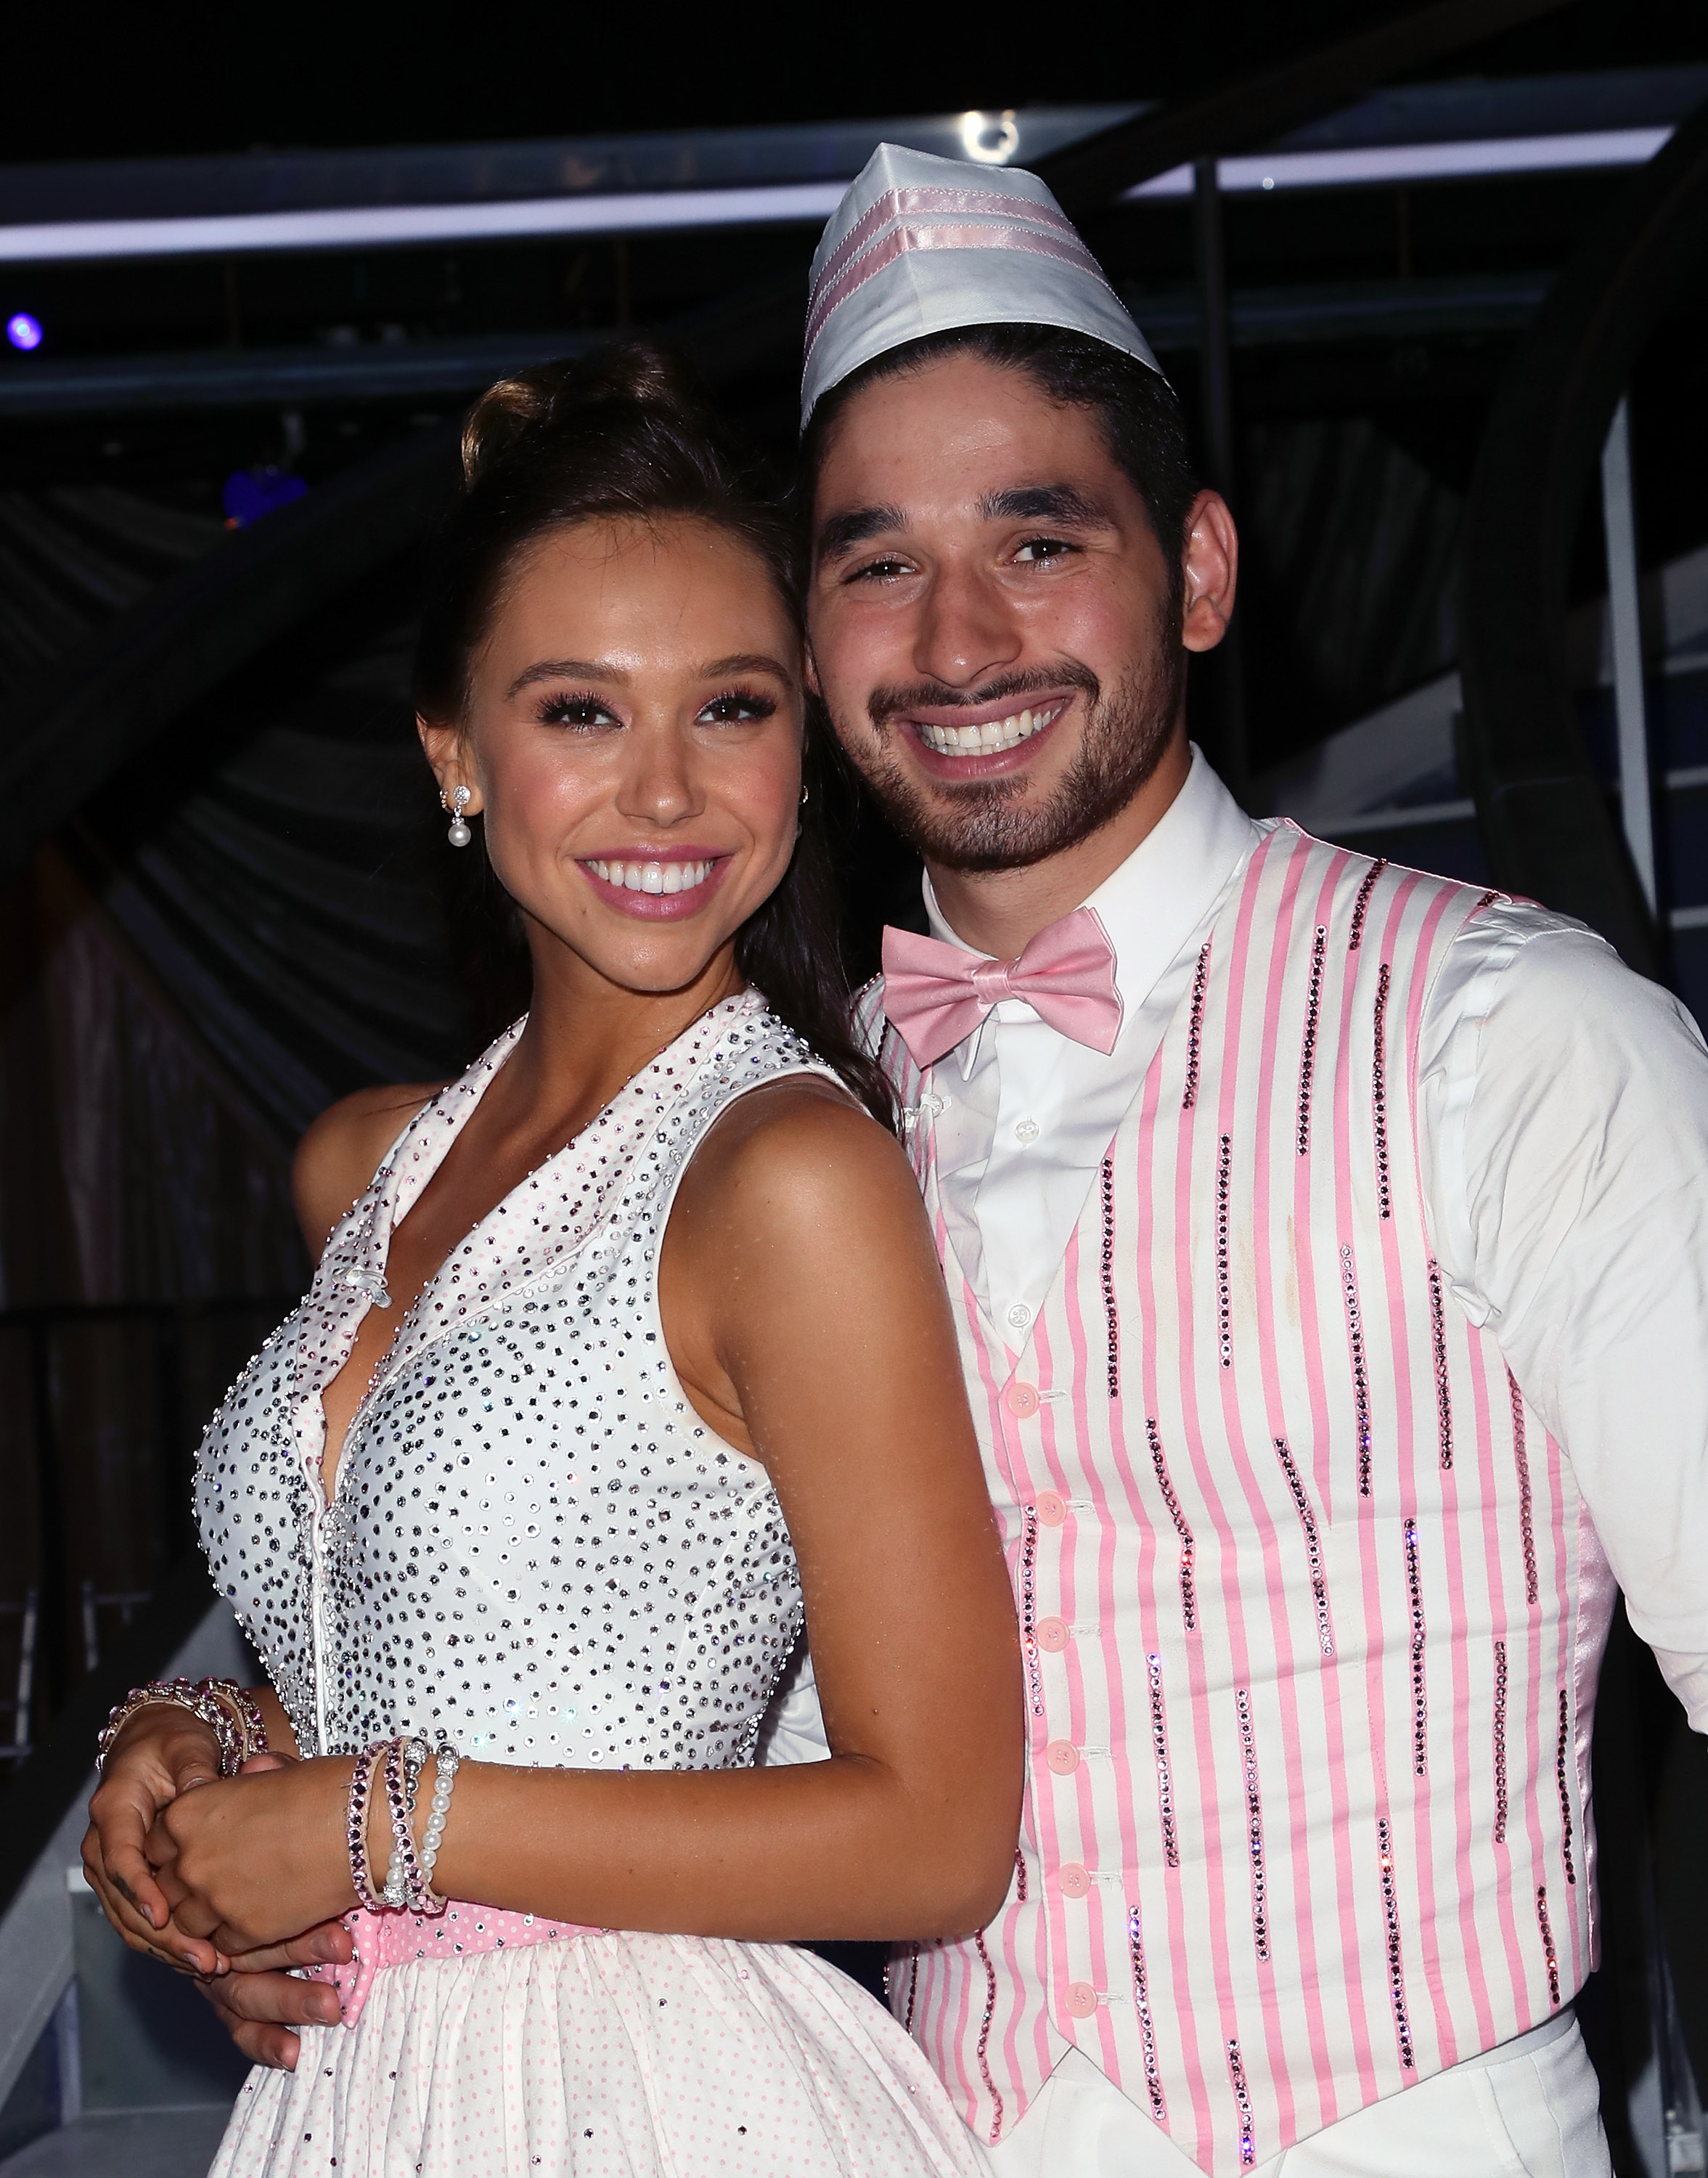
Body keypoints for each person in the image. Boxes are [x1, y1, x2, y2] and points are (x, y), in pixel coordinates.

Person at [781, 144, 1708, 2175]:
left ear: (1197, 572)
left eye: (1037, 542)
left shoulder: (1510, 1032)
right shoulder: (793, 1116)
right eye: (875, 564)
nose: (956, 640)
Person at [81, 343, 1021, 2178]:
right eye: (582, 712)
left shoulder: (787, 1178)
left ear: (803, 754)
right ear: (453, 748)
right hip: (360, 2097)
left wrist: (373, 1826)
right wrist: (189, 1748)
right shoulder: (364, 1166)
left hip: (666, 2096)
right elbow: (434, 1664)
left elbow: (935, 1834)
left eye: (732, 708)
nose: (665, 795)